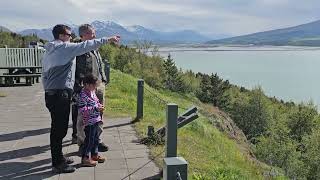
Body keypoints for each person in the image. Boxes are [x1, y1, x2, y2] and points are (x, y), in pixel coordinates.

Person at [42, 24, 120, 173]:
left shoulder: (50, 51)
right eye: (69, 35)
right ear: (61, 36)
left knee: (58, 128)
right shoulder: (63, 48)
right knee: (59, 130)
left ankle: (59, 158)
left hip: (53, 93)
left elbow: (44, 75)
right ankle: (58, 162)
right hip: (60, 94)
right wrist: (109, 39)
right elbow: (87, 45)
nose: (71, 38)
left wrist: (48, 89)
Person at [72, 24, 109, 153]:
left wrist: (103, 81)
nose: (94, 35)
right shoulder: (78, 49)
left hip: (99, 85)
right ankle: (83, 143)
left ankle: (96, 140)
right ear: (83, 35)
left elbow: (99, 66)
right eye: (91, 33)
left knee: (99, 114)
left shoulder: (95, 48)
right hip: (86, 88)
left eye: (94, 33)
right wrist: (79, 87)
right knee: (84, 117)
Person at [78, 74, 106, 166]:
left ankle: (94, 154)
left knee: (95, 139)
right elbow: (82, 110)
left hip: (96, 119)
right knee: (89, 140)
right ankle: (85, 158)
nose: (95, 87)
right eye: (93, 85)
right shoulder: (83, 96)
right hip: (89, 122)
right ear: (86, 84)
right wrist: (95, 108)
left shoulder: (92, 91)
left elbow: (96, 101)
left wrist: (99, 105)